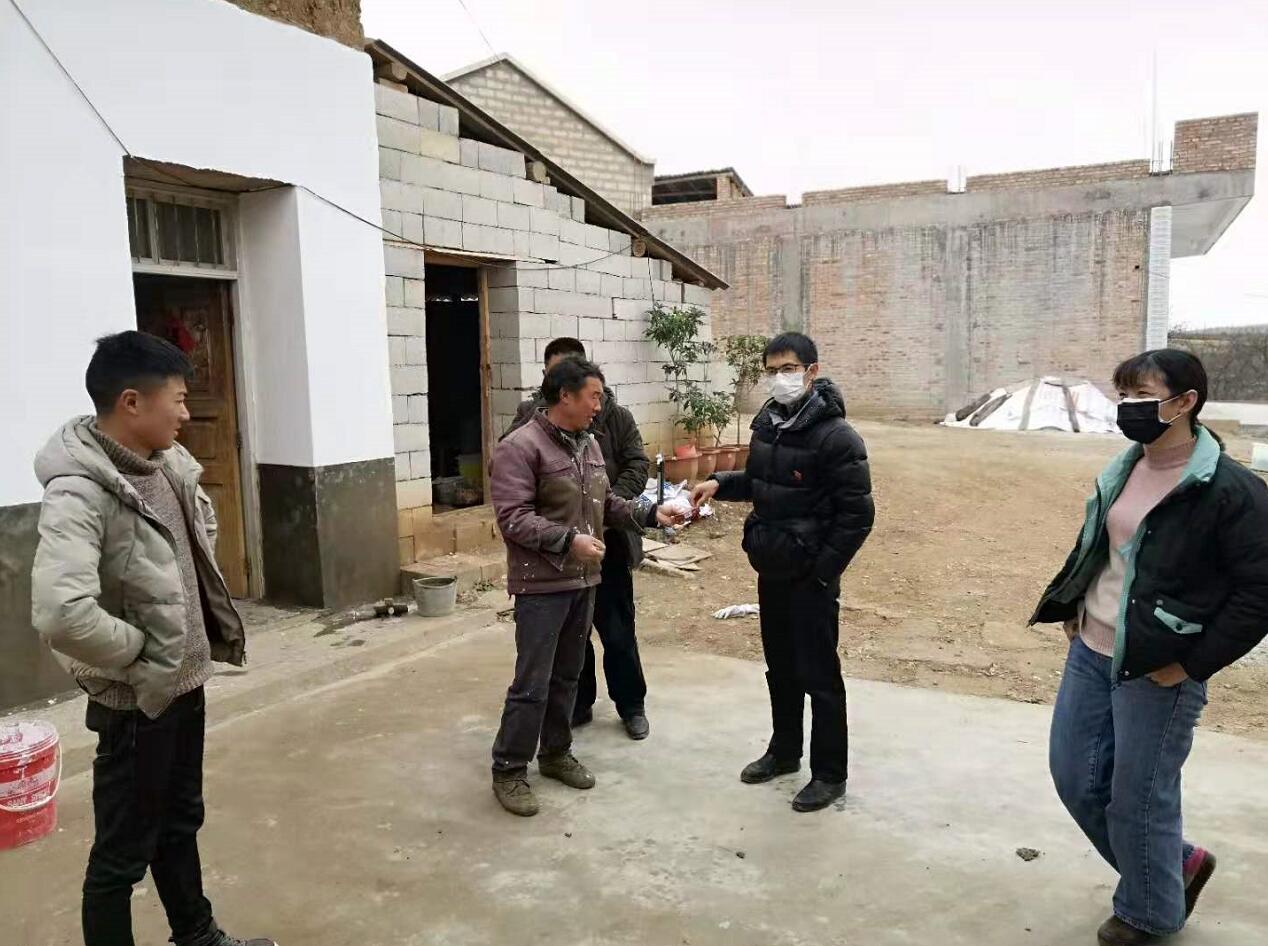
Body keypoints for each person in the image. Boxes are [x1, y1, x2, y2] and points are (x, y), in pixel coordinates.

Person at [30, 331, 272, 946]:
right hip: (136, 702)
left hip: (185, 685)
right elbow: (61, 612)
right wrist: (142, 655)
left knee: (180, 823)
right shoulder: (80, 489)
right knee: (122, 854)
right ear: (132, 402)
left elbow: (194, 536)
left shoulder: (169, 464)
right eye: (179, 399)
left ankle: (198, 936)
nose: (188, 413)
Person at [1031, 349, 1268, 946]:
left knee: (1139, 799)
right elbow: (1107, 548)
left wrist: (1191, 663)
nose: (1128, 407)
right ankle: (1178, 865)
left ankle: (1150, 913)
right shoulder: (1125, 467)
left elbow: (1259, 592)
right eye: (1124, 394)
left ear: (1185, 402)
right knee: (1075, 778)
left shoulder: (1231, 490)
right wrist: (1078, 602)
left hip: (1158, 667)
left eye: (1143, 395)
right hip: (1091, 651)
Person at [690, 332, 874, 813]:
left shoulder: (836, 437)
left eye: (788, 369)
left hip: (811, 578)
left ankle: (829, 774)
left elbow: (857, 516)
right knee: (781, 668)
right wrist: (719, 482)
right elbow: (760, 483)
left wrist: (822, 573)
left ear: (812, 372)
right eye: (771, 371)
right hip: (772, 568)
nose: (779, 379)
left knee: (820, 677)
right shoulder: (768, 426)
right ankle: (784, 751)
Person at [489, 357, 680, 816]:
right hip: (541, 585)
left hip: (584, 579)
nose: (600, 405)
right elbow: (513, 518)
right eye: (594, 396)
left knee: (568, 676)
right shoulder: (521, 447)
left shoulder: (588, 443)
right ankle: (509, 769)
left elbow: (605, 501)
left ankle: (556, 753)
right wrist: (567, 540)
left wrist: (649, 513)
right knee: (532, 682)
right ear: (565, 396)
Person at [505, 337, 653, 740]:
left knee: (617, 629)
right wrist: (569, 530)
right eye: (555, 374)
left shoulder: (611, 418)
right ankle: (576, 704)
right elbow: (514, 494)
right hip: (557, 554)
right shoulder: (528, 424)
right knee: (571, 639)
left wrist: (606, 509)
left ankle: (631, 704)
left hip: (608, 543)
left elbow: (635, 465)